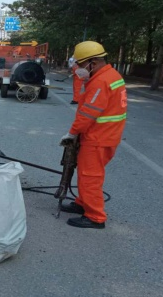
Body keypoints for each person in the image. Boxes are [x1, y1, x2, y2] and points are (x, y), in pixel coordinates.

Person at [59, 41, 127, 229]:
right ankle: (82, 203)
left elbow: (88, 114)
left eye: (80, 65)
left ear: (93, 62)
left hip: (99, 138)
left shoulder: (100, 82)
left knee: (90, 176)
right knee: (85, 173)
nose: (78, 69)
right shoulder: (109, 75)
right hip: (104, 135)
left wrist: (72, 133)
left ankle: (95, 217)